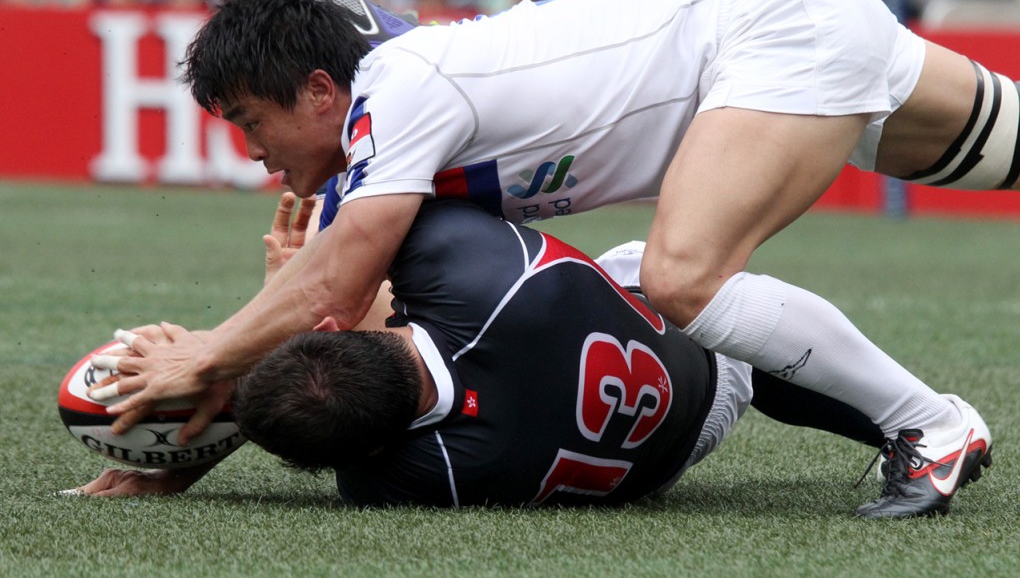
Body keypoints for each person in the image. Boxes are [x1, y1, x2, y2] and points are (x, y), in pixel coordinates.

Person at [95, 0, 1004, 518]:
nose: (254, 154)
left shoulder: (394, 94)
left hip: (770, 32)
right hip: (785, 26)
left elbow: (332, 294)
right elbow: (335, 353)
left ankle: (929, 427)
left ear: (323, 91)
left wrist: (206, 351)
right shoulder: (384, 140)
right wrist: (189, 441)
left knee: (680, 276)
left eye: (254, 122)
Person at [80, 198, 964, 510]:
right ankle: (917, 420)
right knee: (688, 289)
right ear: (358, 329)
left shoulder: (410, 482)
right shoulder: (471, 272)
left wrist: (188, 449)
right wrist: (299, 288)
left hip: (669, 452)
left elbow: (344, 415)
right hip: (692, 353)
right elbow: (382, 289)